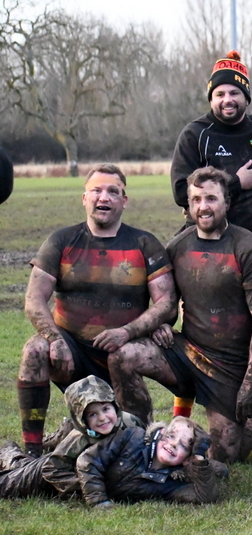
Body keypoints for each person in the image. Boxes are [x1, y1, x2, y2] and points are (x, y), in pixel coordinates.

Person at [108, 168, 252, 463]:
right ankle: (138, 438)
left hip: (228, 366)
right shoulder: (177, 246)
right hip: (186, 353)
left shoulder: (248, 247)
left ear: (227, 202)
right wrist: (160, 324)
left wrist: (249, 383)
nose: (203, 206)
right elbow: (166, 301)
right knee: (122, 356)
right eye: (196, 199)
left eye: (211, 198)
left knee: (224, 457)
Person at [17, 165, 176, 456]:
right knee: (34, 349)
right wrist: (54, 339)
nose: (104, 197)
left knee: (132, 445)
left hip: (122, 354)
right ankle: (31, 450)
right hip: (71, 354)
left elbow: (167, 302)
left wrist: (127, 332)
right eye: (96, 190)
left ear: (124, 201)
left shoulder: (144, 243)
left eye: (113, 191)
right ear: (84, 198)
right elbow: (33, 299)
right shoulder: (61, 241)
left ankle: (136, 436)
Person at [171, 50, 252, 238]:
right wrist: (236, 183)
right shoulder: (195, 134)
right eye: (220, 94)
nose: (227, 100)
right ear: (211, 99)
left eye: (234, 93)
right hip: (208, 238)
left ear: (246, 97)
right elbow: (181, 192)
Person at [0, 375, 145, 499]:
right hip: (48, 474)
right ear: (81, 420)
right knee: (10, 483)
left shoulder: (130, 422)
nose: (102, 418)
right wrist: (83, 486)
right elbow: (51, 469)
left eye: (106, 409)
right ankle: (8, 452)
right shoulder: (78, 440)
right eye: (92, 414)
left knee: (23, 465)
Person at [77, 417, 220, 508]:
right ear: (162, 432)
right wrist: (99, 501)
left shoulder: (172, 483)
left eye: (183, 445)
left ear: (188, 460)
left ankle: (214, 466)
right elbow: (88, 460)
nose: (173, 444)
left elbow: (205, 497)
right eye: (170, 436)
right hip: (76, 473)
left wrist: (200, 458)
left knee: (221, 471)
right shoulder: (132, 438)